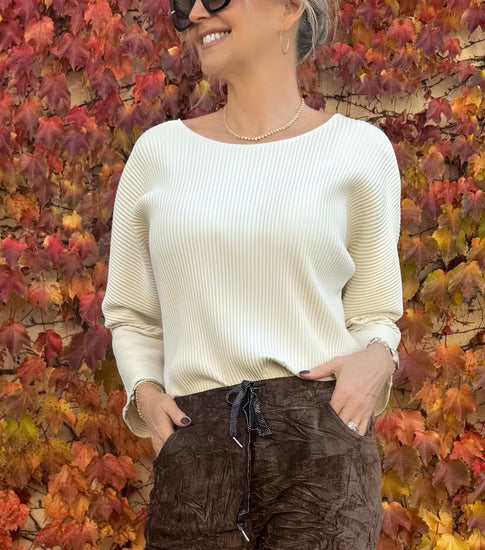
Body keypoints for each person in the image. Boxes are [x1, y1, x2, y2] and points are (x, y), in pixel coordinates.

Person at [102, 0, 403, 548]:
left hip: (322, 451)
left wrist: (378, 357)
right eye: (185, 3)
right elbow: (131, 312)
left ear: (289, 9)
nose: (196, 12)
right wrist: (144, 391)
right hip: (197, 458)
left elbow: (375, 310)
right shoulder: (159, 155)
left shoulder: (359, 151)